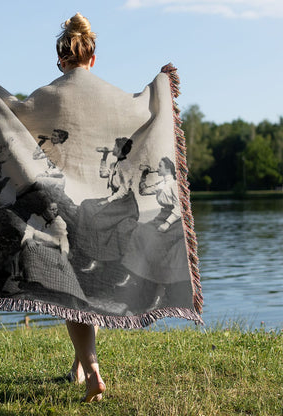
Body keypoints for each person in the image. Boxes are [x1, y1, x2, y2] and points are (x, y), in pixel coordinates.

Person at [55, 12, 106, 403]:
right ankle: (77, 365)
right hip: (102, 208)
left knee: (72, 299)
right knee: (86, 292)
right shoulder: (109, 95)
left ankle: (92, 372)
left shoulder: (48, 95)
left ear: (61, 60)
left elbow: (13, 123)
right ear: (92, 58)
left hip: (64, 209)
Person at [121, 156, 190, 309]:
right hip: (162, 216)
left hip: (175, 221)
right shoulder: (161, 184)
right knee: (139, 231)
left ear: (167, 168)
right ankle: (133, 273)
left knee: (155, 243)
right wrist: (144, 175)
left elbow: (180, 208)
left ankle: (159, 294)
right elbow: (144, 191)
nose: (158, 168)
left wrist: (167, 223)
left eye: (160, 166)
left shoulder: (174, 185)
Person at [76, 137, 139, 273]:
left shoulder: (127, 166)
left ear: (120, 149)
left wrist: (108, 201)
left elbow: (124, 190)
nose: (113, 149)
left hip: (125, 204)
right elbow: (103, 174)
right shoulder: (115, 164)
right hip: (116, 199)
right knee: (86, 204)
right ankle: (86, 249)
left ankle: (98, 259)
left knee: (98, 219)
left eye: (115, 147)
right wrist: (104, 157)